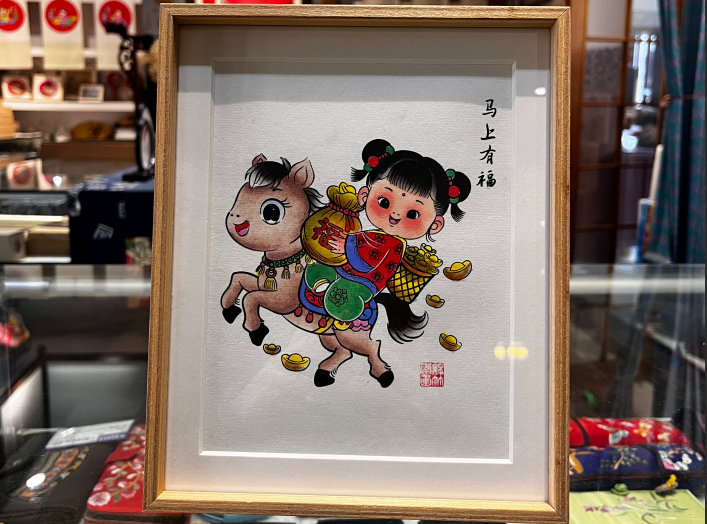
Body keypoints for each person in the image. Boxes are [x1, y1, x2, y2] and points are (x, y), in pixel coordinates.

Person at [303, 139, 471, 326]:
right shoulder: (375, 233)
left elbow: (367, 260)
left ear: (435, 225)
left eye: (413, 214)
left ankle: (348, 304)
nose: (396, 215)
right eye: (384, 202)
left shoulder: (394, 244)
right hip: (345, 266)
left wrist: (347, 245)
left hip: (363, 282)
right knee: (317, 267)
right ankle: (321, 283)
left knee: (341, 296)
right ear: (364, 195)